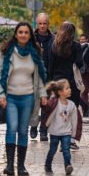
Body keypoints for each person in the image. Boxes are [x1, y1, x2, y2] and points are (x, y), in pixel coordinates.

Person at [0, 21, 48, 176]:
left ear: (30, 35)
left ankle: (21, 166)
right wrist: (0, 94)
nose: (23, 35)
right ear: (16, 34)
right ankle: (10, 166)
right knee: (12, 127)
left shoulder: (35, 53)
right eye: (20, 32)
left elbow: (40, 77)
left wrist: (43, 94)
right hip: (10, 97)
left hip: (28, 97)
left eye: (26, 32)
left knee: (23, 130)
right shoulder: (6, 52)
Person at [49, 21, 84, 149]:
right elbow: (80, 63)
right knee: (71, 111)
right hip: (71, 83)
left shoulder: (54, 46)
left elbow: (51, 66)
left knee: (59, 111)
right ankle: (70, 140)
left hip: (58, 81)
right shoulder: (75, 46)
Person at [41, 80, 82, 175]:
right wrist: (44, 103)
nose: (70, 90)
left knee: (66, 150)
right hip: (55, 132)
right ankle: (48, 165)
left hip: (66, 133)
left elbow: (75, 120)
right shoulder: (54, 102)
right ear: (60, 92)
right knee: (52, 150)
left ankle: (68, 165)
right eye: (67, 88)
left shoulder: (72, 105)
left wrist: (73, 133)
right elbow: (46, 109)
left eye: (69, 87)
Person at [32, 12, 55, 141]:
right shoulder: (30, 38)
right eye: (40, 23)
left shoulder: (54, 39)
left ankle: (43, 131)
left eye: (44, 23)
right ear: (37, 24)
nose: (42, 26)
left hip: (48, 77)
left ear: (48, 24)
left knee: (46, 106)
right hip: (33, 77)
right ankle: (34, 126)